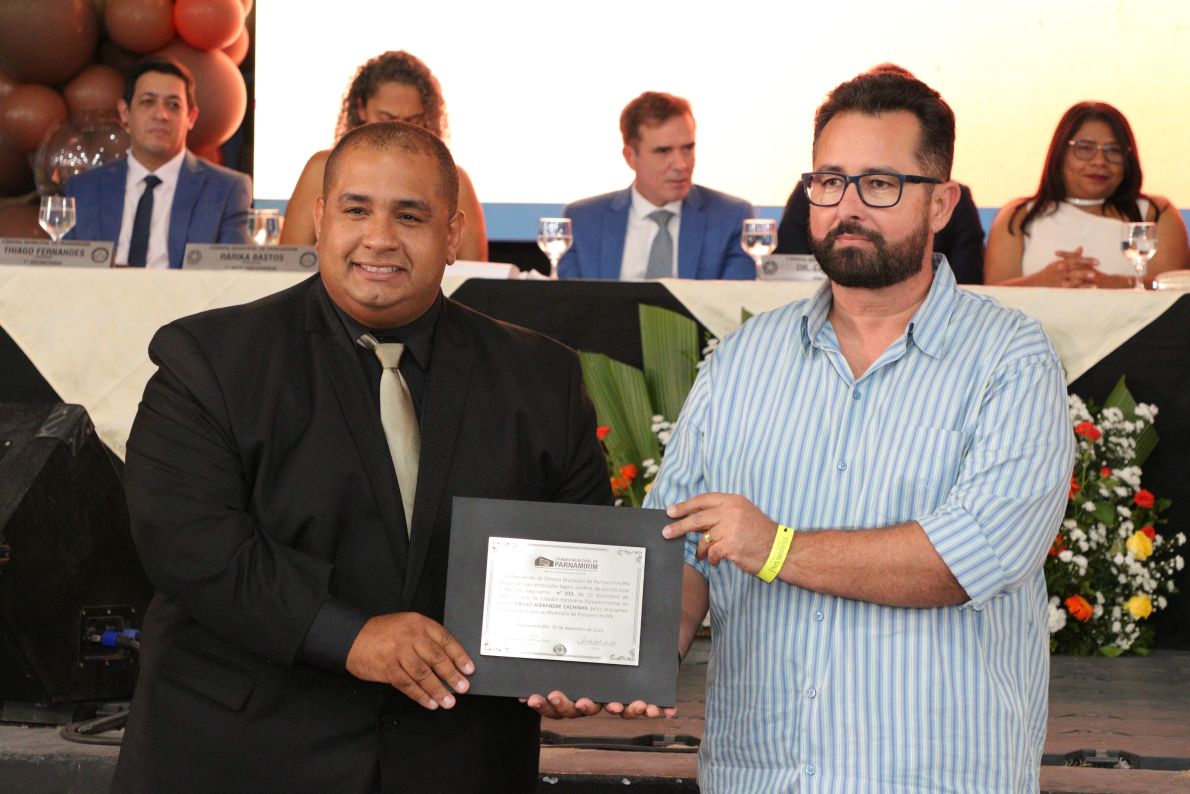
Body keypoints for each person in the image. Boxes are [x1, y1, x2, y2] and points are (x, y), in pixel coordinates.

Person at [113, 121, 612, 793]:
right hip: (243, 756)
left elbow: (585, 550)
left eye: (410, 215)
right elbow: (190, 545)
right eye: (356, 210)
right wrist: (350, 637)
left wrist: (574, 661)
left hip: (460, 763)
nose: (380, 238)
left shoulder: (540, 377)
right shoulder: (209, 361)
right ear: (320, 220)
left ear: (452, 235)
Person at [643, 70, 1074, 791]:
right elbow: (677, 547)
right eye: (829, 181)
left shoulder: (1010, 359)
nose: (847, 206)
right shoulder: (743, 359)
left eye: (879, 184)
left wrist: (776, 547)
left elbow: (971, 557)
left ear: (941, 203)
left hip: (935, 777)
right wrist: (620, 658)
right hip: (762, 776)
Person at [280, 50, 488, 262]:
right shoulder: (321, 169)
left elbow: (476, 274)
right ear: (361, 108)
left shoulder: (454, 179)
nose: (401, 129)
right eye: (356, 211)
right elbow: (289, 267)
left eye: (413, 120)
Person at [65, 58, 251, 267]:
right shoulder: (84, 189)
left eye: (173, 105)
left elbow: (234, 277)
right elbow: (65, 273)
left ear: (191, 117)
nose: (161, 115)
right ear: (125, 113)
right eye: (148, 102)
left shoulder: (225, 190)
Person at [984, 101, 1189, 287]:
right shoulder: (1020, 216)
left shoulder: (1154, 213)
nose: (1099, 161)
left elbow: (1174, 290)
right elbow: (992, 300)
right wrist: (1042, 283)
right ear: (1059, 154)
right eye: (1084, 148)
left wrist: (1111, 284)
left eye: (1113, 150)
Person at [557, 91, 755, 280]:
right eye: (663, 151)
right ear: (630, 157)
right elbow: (573, 300)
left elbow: (733, 300)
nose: (681, 164)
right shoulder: (583, 220)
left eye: (687, 148)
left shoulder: (731, 217)